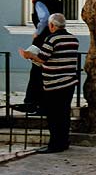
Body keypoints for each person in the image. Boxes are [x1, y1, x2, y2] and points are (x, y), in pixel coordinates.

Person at [19, 13, 79, 153]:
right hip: (69, 82)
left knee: (53, 116)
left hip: (55, 83)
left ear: (52, 25)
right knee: (64, 114)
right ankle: (64, 142)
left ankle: (55, 145)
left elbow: (42, 58)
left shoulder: (52, 39)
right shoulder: (73, 39)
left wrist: (28, 55)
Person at [17, 0, 63, 113]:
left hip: (42, 41)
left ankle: (31, 103)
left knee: (36, 71)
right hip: (55, 39)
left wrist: (37, 33)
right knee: (49, 72)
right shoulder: (57, 2)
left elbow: (44, 18)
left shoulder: (40, 3)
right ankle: (44, 104)